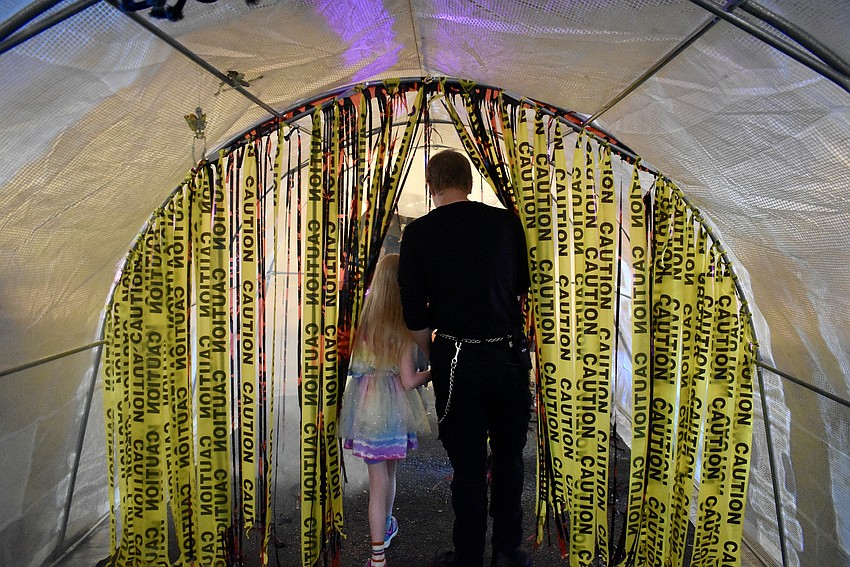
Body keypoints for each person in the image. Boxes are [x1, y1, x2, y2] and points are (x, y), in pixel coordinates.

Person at [398, 149, 532, 567]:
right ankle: (507, 551)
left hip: (457, 362)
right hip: (508, 356)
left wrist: (437, 352)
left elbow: (414, 314)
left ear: (431, 185)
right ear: (469, 182)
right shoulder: (507, 222)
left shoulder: (418, 234)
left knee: (468, 465)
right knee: (509, 458)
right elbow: (522, 288)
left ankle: (469, 555)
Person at [338, 253, 432, 567]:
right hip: (393, 410)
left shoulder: (359, 319)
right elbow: (408, 381)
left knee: (379, 478)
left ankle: (379, 550)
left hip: (364, 406)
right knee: (388, 476)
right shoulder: (402, 323)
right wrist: (435, 370)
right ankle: (382, 541)